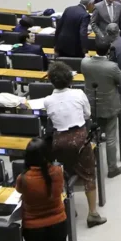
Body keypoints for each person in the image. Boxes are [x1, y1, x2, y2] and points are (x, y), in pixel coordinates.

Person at [42, 62, 105, 227]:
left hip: (59, 141)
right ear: (70, 79)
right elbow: (87, 114)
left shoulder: (48, 101)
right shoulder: (78, 94)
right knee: (89, 175)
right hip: (79, 140)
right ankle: (93, 214)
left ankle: (68, 208)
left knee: (63, 174)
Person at [81, 40, 121, 179]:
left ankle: (92, 163)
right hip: (109, 104)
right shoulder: (112, 67)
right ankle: (112, 168)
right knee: (111, 137)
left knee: (92, 134)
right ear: (108, 51)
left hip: (91, 104)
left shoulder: (85, 62)